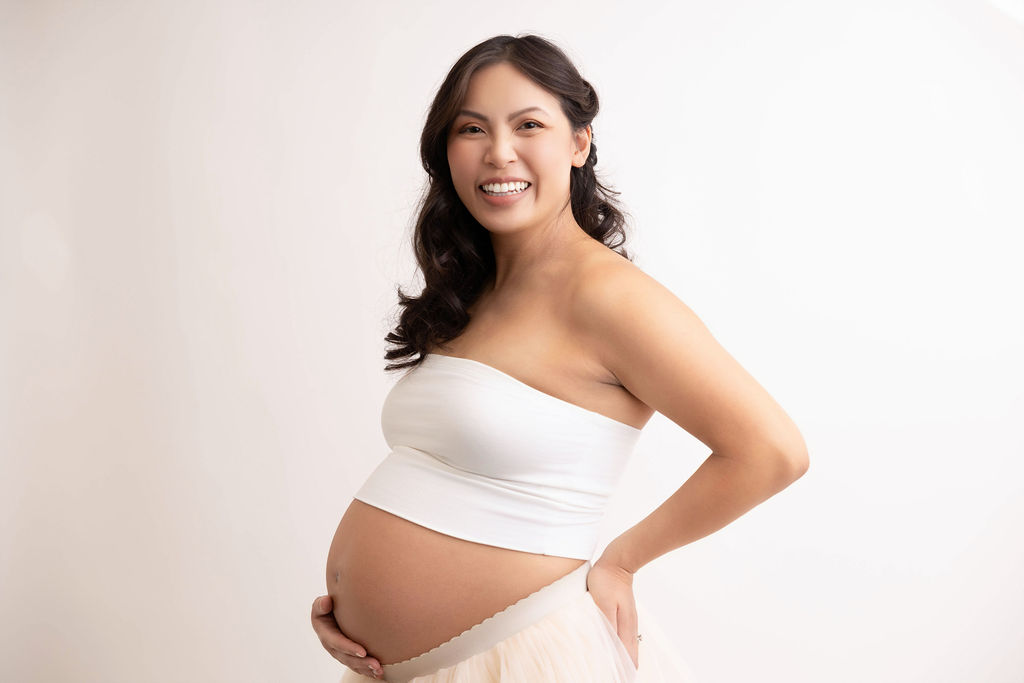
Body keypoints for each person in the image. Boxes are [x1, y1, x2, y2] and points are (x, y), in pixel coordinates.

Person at [311, 33, 809, 682]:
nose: (498, 153)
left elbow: (772, 450)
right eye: (471, 128)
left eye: (528, 125)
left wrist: (622, 561)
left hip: (523, 658)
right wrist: (357, 612)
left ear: (579, 143)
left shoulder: (607, 296)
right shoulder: (475, 291)